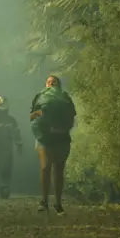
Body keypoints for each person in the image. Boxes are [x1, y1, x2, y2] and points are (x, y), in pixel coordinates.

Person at [30, 75, 76, 215]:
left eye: (54, 82)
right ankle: (44, 202)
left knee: (58, 170)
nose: (51, 83)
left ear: (59, 85)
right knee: (45, 168)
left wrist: (62, 128)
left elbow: (71, 117)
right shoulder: (39, 97)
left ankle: (58, 204)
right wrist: (39, 113)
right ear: (46, 84)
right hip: (44, 137)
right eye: (49, 82)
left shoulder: (66, 98)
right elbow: (32, 117)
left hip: (61, 137)